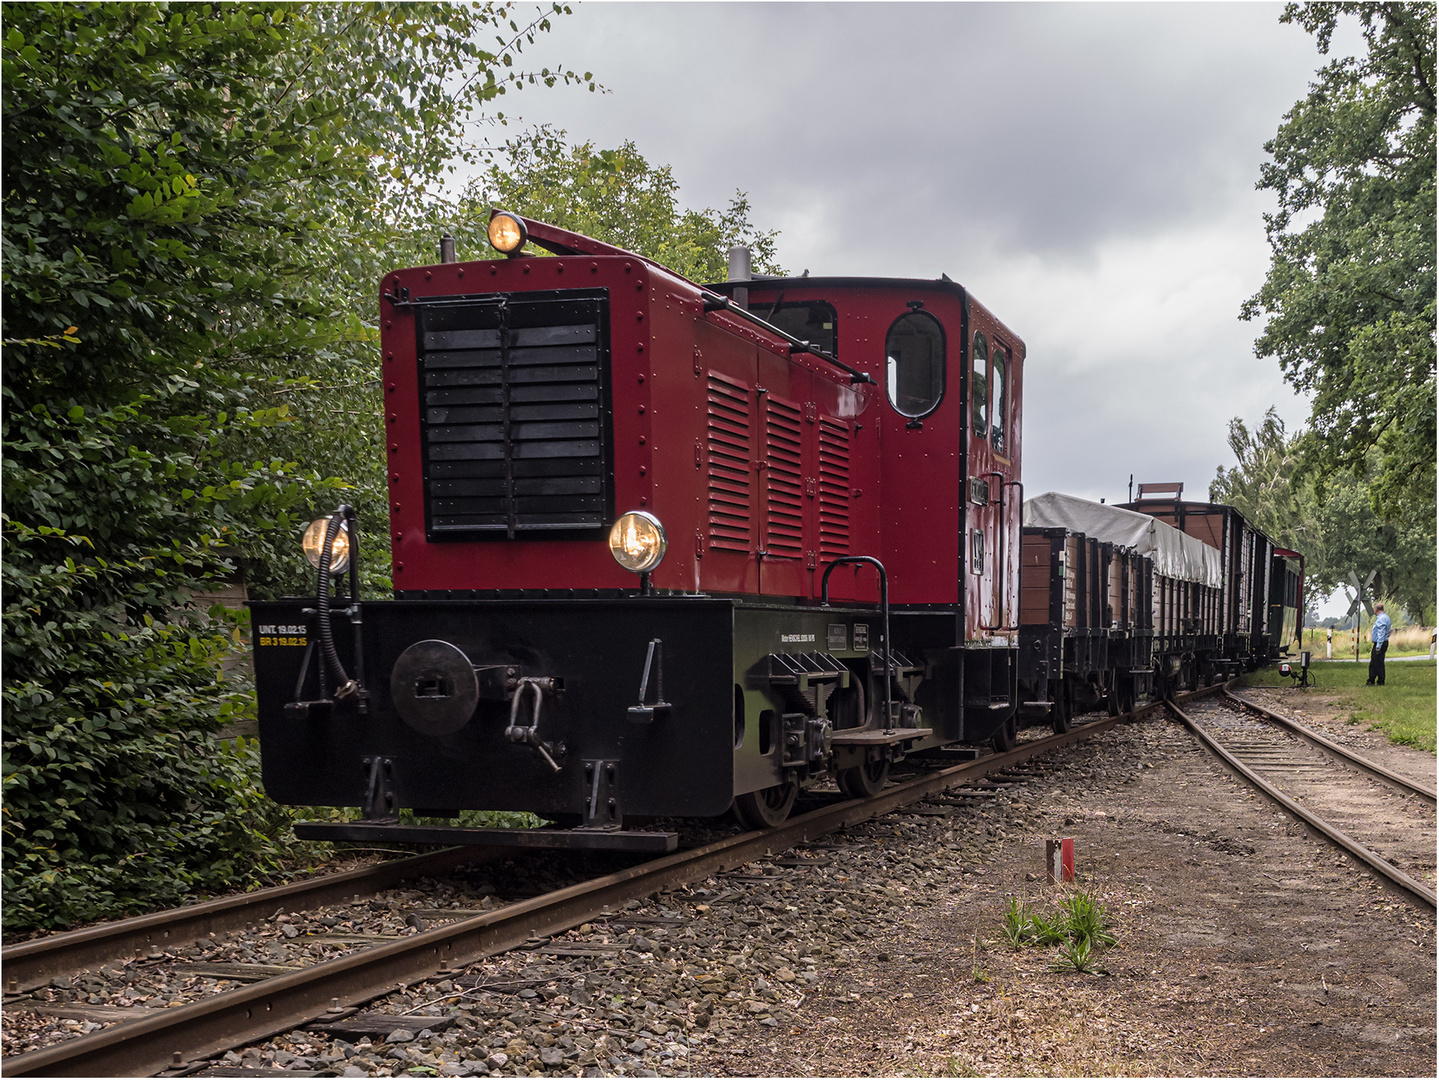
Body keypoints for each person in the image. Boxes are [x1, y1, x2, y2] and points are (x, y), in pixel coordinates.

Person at [1367, 603, 1391, 685]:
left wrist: (1378, 646)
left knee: (1375, 663)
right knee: (1378, 662)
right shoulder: (1385, 617)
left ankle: (1373, 680)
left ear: (1376, 609)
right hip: (1382, 642)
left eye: (1374, 608)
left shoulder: (1381, 619)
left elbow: (1381, 633)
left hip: (1380, 643)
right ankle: (1379, 680)